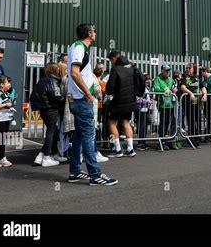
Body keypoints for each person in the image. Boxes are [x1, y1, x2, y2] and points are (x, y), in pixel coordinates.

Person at [67, 23, 117, 186]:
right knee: (88, 137)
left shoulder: (77, 47)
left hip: (78, 99)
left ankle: (74, 171)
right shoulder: (79, 47)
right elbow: (75, 73)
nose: (95, 33)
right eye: (94, 31)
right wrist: (88, 94)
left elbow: (77, 72)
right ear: (89, 33)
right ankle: (95, 175)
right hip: (82, 100)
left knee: (80, 137)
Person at [106, 50, 142, 158]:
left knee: (112, 122)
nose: (111, 62)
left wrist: (108, 91)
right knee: (126, 123)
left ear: (114, 58)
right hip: (130, 100)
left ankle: (117, 149)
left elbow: (110, 87)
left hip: (118, 100)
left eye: (111, 60)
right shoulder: (132, 68)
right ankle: (130, 149)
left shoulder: (115, 69)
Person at [30, 63, 66, 167]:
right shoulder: (53, 81)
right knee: (51, 132)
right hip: (51, 109)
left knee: (53, 131)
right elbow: (57, 97)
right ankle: (46, 157)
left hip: (43, 109)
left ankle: (42, 155)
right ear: (55, 70)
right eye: (58, 69)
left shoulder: (42, 80)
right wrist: (66, 99)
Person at [180, 63, 206, 148]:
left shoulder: (198, 77)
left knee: (198, 121)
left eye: (189, 68)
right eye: (187, 68)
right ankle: (191, 139)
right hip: (188, 102)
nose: (187, 69)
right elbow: (183, 87)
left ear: (193, 69)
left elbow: (203, 87)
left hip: (197, 103)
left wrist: (205, 95)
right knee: (191, 122)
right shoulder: (184, 77)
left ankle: (197, 139)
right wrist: (190, 93)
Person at [153, 64, 178, 150]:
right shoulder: (157, 79)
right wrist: (164, 90)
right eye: (166, 70)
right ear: (162, 71)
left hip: (171, 104)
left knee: (170, 122)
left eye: (169, 70)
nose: (168, 72)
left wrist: (174, 89)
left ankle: (170, 141)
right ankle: (162, 142)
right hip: (162, 104)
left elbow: (173, 87)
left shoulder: (171, 79)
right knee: (163, 122)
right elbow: (155, 89)